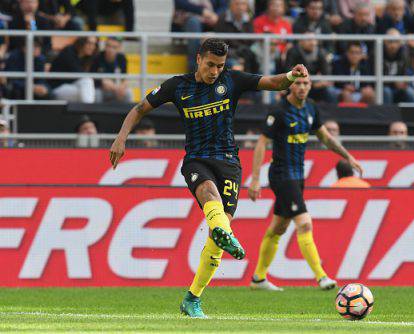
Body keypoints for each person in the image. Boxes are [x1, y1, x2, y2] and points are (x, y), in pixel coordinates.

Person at [109, 38, 310, 318]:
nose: (215, 71)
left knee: (217, 233)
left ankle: (193, 297)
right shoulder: (177, 86)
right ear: (199, 60)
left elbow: (274, 83)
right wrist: (121, 138)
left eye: (220, 66)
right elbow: (139, 109)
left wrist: (291, 75)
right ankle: (225, 233)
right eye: (210, 64)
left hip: (229, 163)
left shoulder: (232, 80)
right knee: (207, 193)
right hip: (197, 159)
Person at [248, 76, 363, 291]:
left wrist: (348, 157)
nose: (302, 87)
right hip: (281, 175)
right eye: (298, 83)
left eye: (306, 83)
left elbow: (326, 138)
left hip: (298, 176)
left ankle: (258, 278)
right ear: (291, 85)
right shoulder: (279, 111)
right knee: (304, 223)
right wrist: (255, 179)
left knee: (277, 229)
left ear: (310, 86)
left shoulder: (311, 109)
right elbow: (262, 143)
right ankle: (321, 277)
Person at [173, 0, 227, 71]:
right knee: (193, 22)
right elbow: (181, 3)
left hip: (212, 22)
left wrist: (216, 16)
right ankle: (194, 66)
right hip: (187, 23)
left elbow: (224, 6)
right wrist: (202, 11)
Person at [284, 31, 334, 103]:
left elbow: (327, 73)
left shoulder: (321, 53)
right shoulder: (293, 51)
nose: (312, 43)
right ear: (301, 41)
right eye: (309, 40)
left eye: (314, 40)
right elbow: (288, 70)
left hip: (315, 84)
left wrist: (321, 82)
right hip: (297, 83)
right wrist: (310, 82)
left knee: (330, 93)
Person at [214, 0, 258, 73]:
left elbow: (251, 42)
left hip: (245, 55)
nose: (240, 7)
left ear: (247, 7)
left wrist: (244, 57)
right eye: (237, 4)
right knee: (235, 66)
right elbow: (220, 45)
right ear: (230, 6)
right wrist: (237, 57)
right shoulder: (222, 18)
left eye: (243, 4)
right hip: (228, 56)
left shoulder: (249, 19)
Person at [49, 37, 97, 103]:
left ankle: (87, 111)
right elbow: (78, 74)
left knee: (87, 87)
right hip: (57, 87)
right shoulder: (68, 52)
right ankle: (89, 111)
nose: (92, 47)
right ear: (81, 42)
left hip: (72, 85)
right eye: (89, 43)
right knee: (87, 84)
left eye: (94, 44)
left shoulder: (86, 58)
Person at [90, 37, 132, 103]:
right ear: (105, 46)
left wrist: (122, 87)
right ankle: (96, 113)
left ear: (119, 48)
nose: (110, 49)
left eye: (114, 47)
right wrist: (102, 82)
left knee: (128, 93)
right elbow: (92, 78)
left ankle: (128, 113)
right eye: (108, 46)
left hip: (116, 89)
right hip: (101, 89)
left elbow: (125, 78)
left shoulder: (122, 58)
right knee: (96, 94)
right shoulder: (97, 57)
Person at [383, 29, 414, 104]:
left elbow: (407, 73)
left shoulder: (404, 53)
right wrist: (394, 82)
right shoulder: (378, 52)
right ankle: (387, 115)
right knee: (387, 92)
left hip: (399, 87)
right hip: (384, 86)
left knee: (411, 93)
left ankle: (412, 115)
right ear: (385, 42)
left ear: (400, 43)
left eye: (396, 42)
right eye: (390, 42)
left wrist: (404, 82)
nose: (393, 45)